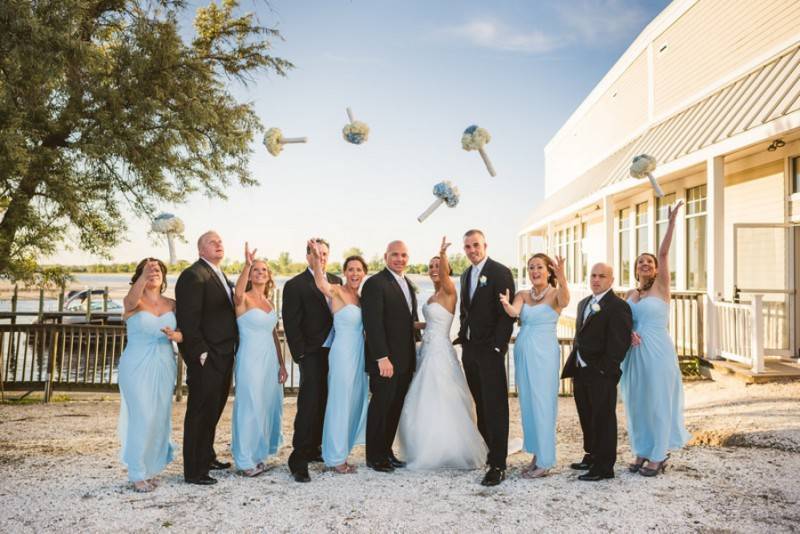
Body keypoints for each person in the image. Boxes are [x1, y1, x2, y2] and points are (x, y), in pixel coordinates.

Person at [399, 237, 487, 470]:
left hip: (440, 352)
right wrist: (407, 324)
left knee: (442, 398)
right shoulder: (431, 296)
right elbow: (431, 322)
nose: (434, 270)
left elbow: (446, 279)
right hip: (426, 349)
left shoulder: (449, 291)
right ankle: (425, 445)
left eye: (438, 266)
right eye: (430, 266)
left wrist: (442, 253)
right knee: (422, 399)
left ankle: (449, 449)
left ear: (447, 269)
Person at [621, 200, 691, 477]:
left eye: (649, 262)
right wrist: (627, 333)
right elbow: (622, 322)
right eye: (641, 262)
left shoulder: (661, 288)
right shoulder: (629, 294)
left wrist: (671, 222)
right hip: (634, 353)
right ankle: (641, 450)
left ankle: (659, 455)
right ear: (636, 268)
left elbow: (663, 253)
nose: (646, 264)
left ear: (656, 268)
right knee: (637, 402)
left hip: (658, 350)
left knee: (658, 400)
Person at [175, 231, 238, 485]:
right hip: (207, 357)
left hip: (224, 354)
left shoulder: (220, 274)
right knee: (199, 412)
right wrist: (200, 353)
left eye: (221, 241)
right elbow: (188, 320)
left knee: (214, 409)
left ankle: (207, 456)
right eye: (213, 242)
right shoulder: (193, 275)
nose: (219, 244)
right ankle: (194, 471)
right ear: (201, 250)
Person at [500, 253, 569, 478]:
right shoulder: (522, 294)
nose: (534, 271)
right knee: (529, 404)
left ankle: (546, 460)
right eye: (531, 268)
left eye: (539, 267)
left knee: (543, 403)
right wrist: (505, 304)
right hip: (524, 351)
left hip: (544, 354)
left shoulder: (556, 294)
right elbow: (515, 312)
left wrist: (563, 277)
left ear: (548, 271)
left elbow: (566, 301)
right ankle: (537, 455)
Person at [455, 229, 515, 486]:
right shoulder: (466, 274)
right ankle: (488, 453)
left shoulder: (500, 272)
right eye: (467, 247)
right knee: (480, 404)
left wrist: (497, 348)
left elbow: (506, 315)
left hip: (490, 351)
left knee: (496, 407)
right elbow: (466, 310)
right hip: (470, 350)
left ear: (485, 245)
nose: (472, 250)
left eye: (475, 245)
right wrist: (462, 336)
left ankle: (499, 465)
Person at [562, 263, 633, 482]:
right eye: (593, 275)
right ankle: (591, 455)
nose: (596, 279)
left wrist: (604, 369)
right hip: (581, 370)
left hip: (602, 373)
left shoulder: (618, 306)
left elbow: (619, 343)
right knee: (586, 415)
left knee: (604, 419)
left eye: (602, 276)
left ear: (611, 280)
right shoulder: (583, 303)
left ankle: (604, 467)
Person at [282, 238, 343, 483]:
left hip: (337, 352)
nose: (322, 258)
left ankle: (316, 447)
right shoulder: (295, 284)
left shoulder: (337, 282)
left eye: (325, 254)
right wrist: (300, 354)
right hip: (312, 352)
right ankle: (299, 457)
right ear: (308, 256)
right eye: (317, 254)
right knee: (309, 402)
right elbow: (291, 322)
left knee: (327, 399)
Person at [118, 258, 181, 492]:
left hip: (164, 363)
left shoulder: (173, 304)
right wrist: (144, 275)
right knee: (142, 415)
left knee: (158, 417)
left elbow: (185, 333)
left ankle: (150, 469)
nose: (153, 272)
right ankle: (136, 472)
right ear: (140, 275)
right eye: (148, 269)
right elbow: (129, 301)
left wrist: (177, 336)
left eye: (157, 270)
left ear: (164, 277)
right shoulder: (133, 302)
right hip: (136, 364)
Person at [308, 240, 369, 474]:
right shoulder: (337, 291)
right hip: (343, 353)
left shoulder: (362, 298)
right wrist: (317, 258)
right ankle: (334, 458)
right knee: (340, 402)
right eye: (350, 269)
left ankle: (342, 451)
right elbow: (320, 281)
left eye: (359, 270)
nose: (354, 273)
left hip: (359, 354)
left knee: (354, 401)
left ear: (364, 273)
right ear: (344, 273)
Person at [231, 243, 288, 477]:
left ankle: (258, 455)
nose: (260, 273)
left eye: (264, 270)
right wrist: (246, 264)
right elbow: (235, 294)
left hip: (269, 360)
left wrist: (282, 363)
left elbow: (273, 333)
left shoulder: (269, 302)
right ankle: (244, 461)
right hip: (250, 357)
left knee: (265, 405)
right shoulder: (242, 299)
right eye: (256, 270)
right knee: (249, 405)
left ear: (269, 276)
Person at [362, 240, 419, 473]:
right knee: (380, 407)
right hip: (385, 361)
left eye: (404, 255)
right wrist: (381, 357)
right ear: (385, 256)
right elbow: (373, 324)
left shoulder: (407, 282)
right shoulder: (375, 283)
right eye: (395, 255)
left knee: (394, 407)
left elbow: (407, 321)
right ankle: (374, 456)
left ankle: (387, 452)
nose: (400, 259)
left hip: (404, 359)